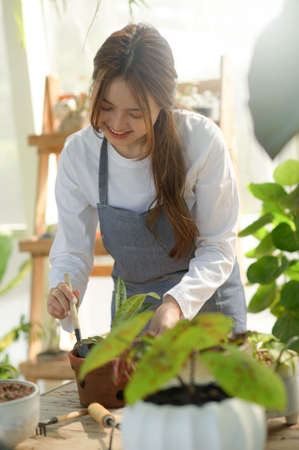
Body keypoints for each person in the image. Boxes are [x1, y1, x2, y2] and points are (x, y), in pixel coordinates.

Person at [47, 23, 246, 335]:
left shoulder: (201, 141)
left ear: (162, 102)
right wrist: (63, 289)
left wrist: (175, 304)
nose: (116, 124)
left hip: (207, 305)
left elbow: (218, 247)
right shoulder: (79, 153)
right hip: (134, 311)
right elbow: (73, 249)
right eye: (106, 107)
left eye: (135, 113)